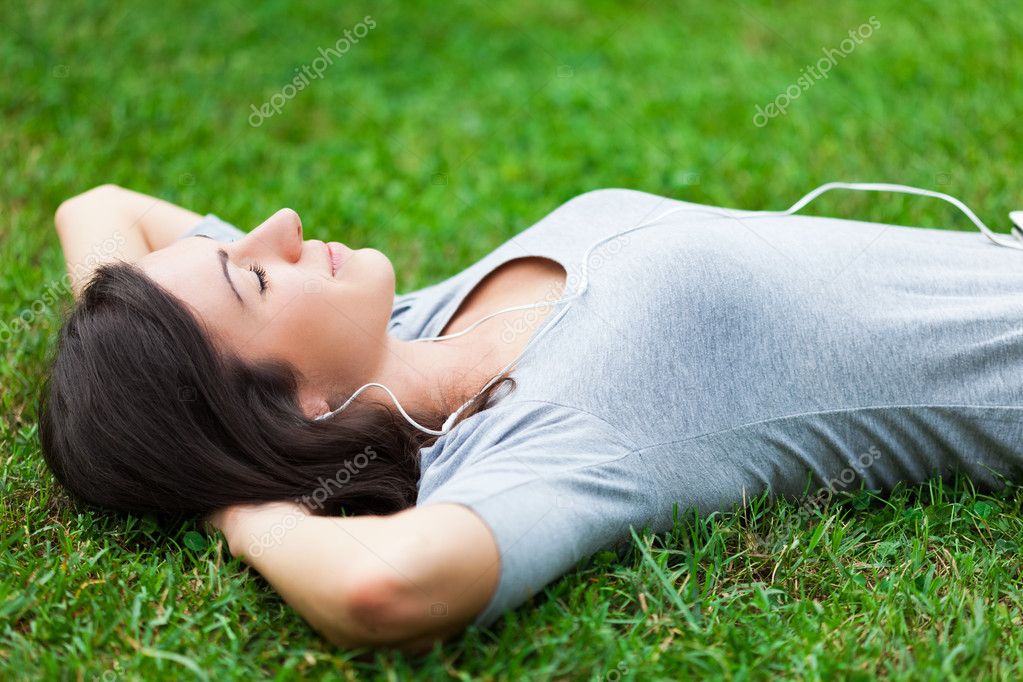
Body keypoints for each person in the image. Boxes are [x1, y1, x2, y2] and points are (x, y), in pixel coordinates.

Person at [40, 183, 1023, 652]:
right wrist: (237, 489)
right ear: (296, 407)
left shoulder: (414, 328)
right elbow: (381, 587)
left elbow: (95, 208)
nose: (281, 227)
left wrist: (150, 389)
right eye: (254, 274)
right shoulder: (558, 430)